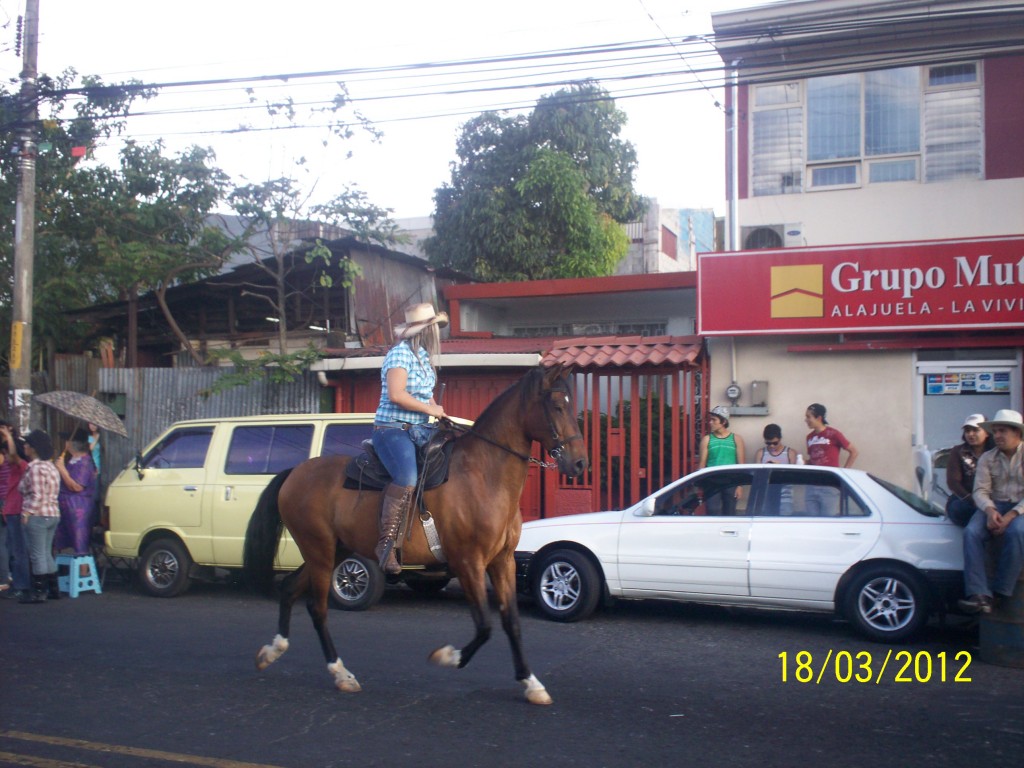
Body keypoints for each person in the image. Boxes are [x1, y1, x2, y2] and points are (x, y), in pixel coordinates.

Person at [371, 303, 448, 574]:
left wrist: (439, 413)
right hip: (392, 429)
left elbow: (426, 394)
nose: (436, 333)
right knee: (407, 479)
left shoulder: (423, 357)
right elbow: (397, 394)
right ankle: (386, 544)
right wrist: (430, 409)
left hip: (419, 430)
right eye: (433, 328)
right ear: (424, 331)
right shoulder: (399, 355)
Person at [958, 409, 1024, 614]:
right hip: (995, 504)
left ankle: (1001, 592)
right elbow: (980, 490)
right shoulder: (988, 457)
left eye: (1002, 431)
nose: (997, 436)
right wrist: (989, 510)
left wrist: (1012, 515)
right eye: (995, 432)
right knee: (971, 533)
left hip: (1020, 508)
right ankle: (979, 594)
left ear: (1017, 433)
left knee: (1017, 532)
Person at [19, 430, 62, 603]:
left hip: (38, 514)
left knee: (37, 554)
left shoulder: (35, 469)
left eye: (27, 444)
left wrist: (27, 512)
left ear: (34, 448)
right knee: (46, 553)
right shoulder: (51, 467)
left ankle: (39, 592)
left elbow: (37, 494)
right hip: (52, 513)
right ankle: (54, 589)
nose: (25, 446)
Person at [54, 428, 99, 574]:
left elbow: (77, 486)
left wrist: (62, 470)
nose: (65, 443)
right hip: (66, 505)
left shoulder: (85, 462)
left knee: (80, 542)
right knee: (64, 539)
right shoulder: (73, 460)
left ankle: (83, 574)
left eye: (68, 440)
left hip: (79, 508)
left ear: (74, 443)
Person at [945, 413, 994, 527]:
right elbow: (953, 482)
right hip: (966, 500)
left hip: (991, 501)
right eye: (967, 431)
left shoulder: (995, 452)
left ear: (987, 433)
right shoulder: (958, 451)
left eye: (975, 430)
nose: (970, 434)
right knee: (959, 509)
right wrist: (973, 500)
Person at [0, 424, 31, 601]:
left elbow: (13, 455)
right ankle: (19, 584)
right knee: (14, 549)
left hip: (16, 509)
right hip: (11, 508)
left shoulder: (21, 465)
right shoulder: (18, 467)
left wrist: (9, 437)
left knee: (18, 550)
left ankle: (21, 585)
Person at [699, 405, 745, 515]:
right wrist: (700, 485)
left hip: (731, 481)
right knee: (712, 511)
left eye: (714, 420)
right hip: (712, 481)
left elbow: (741, 465)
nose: (710, 422)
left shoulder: (736, 439)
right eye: (710, 419)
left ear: (723, 421)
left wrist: (739, 486)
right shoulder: (707, 439)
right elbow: (702, 464)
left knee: (730, 512)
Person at [804, 403, 858, 468]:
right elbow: (813, 461)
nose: (806, 420)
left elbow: (854, 452)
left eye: (808, 417)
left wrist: (845, 470)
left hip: (829, 476)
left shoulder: (833, 434)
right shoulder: (809, 437)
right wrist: (802, 462)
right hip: (815, 476)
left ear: (819, 418)